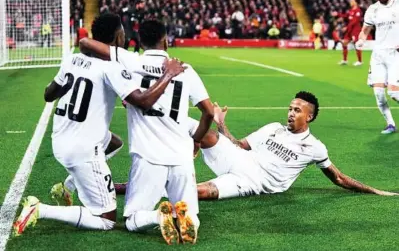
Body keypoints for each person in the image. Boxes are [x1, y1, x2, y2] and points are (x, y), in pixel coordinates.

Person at [13, 13, 185, 236]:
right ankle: (40, 209)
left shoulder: (72, 59)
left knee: (113, 143)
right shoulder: (111, 69)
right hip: (82, 150)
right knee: (106, 220)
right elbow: (143, 102)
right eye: (122, 32)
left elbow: (49, 95)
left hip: (60, 138)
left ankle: (68, 187)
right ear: (117, 36)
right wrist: (168, 75)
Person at [114, 91, 398, 200]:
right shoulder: (273, 128)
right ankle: (140, 105)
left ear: (309, 116)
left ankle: (127, 187)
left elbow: (338, 177)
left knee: (192, 191)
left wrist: (376, 190)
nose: (291, 112)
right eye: (290, 107)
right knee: (196, 126)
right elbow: (238, 145)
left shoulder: (316, 147)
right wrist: (222, 123)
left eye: (297, 110)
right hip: (239, 159)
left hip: (254, 182)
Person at [80, 20, 214, 245]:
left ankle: (159, 215)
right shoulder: (185, 69)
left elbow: (87, 44)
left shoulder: (129, 61)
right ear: (165, 40)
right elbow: (208, 112)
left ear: (140, 41)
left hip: (148, 157)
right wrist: (197, 140)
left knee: (132, 220)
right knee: (191, 215)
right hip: (181, 156)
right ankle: (182, 216)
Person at [356, 0, 399, 134]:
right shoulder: (372, 9)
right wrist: (361, 40)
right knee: (379, 94)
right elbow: (365, 30)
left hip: (395, 55)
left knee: (394, 92)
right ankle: (390, 124)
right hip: (378, 55)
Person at [338, 0, 363, 66]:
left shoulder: (358, 11)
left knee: (357, 45)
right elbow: (345, 16)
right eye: (350, 2)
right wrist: (338, 14)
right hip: (350, 30)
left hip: (355, 30)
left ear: (356, 2)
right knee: (344, 43)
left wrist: (346, 27)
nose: (350, 3)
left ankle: (360, 61)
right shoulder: (351, 10)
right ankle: (345, 60)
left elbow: (354, 21)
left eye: (352, 1)